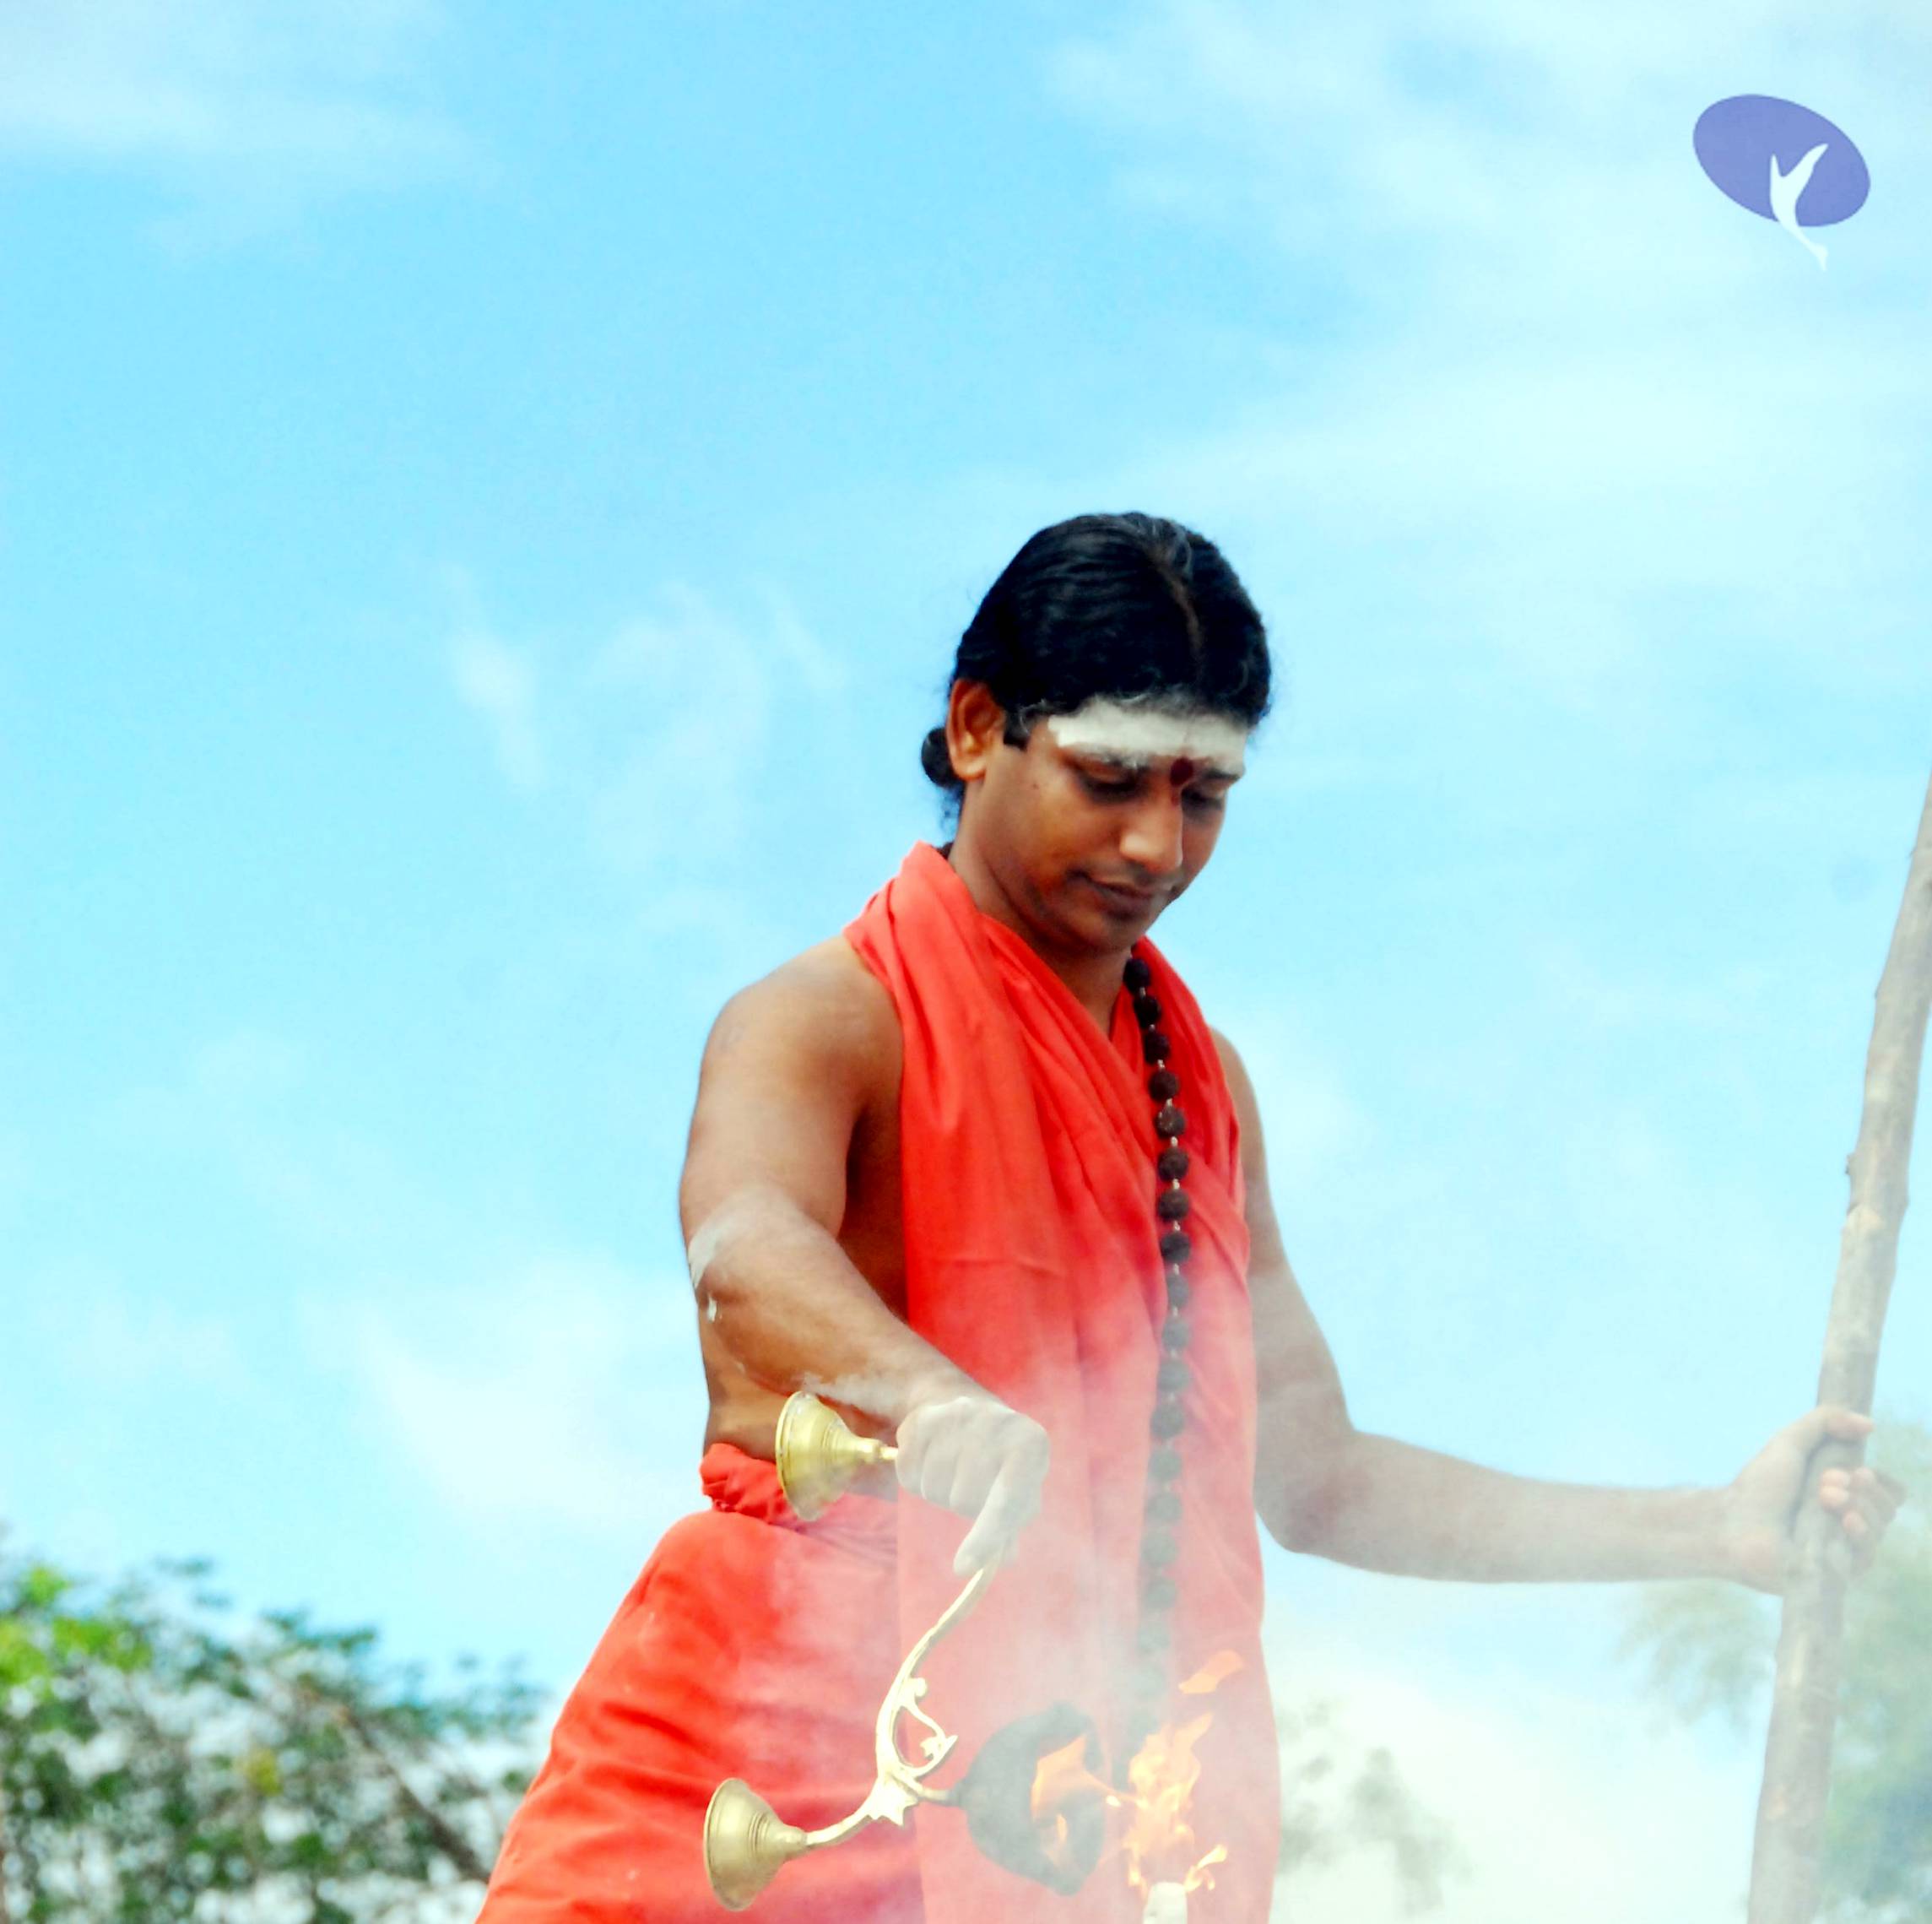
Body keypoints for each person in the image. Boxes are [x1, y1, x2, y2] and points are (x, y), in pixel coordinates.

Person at [478, 513, 1902, 1924]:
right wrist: (930, 1397)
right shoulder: (824, 1018)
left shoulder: (1203, 1094)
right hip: (752, 1790)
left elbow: (1319, 1475)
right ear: (975, 730)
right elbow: (743, 1254)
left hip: (1067, 1814)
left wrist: (1710, 1529)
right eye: (1108, 780)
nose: (1156, 844)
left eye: (1203, 793)